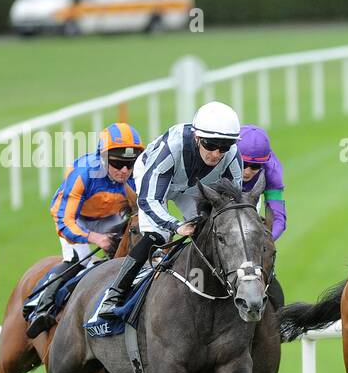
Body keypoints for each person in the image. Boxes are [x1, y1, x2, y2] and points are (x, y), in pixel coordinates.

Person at [88, 101, 243, 329]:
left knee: (210, 231)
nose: (217, 154)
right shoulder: (173, 148)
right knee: (157, 235)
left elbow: (238, 205)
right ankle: (113, 296)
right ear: (198, 138)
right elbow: (148, 199)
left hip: (191, 186)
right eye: (211, 145)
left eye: (225, 146)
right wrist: (175, 226)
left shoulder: (232, 157)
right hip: (157, 178)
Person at [23, 123, 143, 337]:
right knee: (80, 259)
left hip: (110, 218)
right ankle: (40, 305)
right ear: (103, 158)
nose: (125, 170)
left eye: (130, 163)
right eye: (117, 163)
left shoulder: (135, 177)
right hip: (75, 218)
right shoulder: (84, 173)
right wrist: (94, 238)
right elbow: (64, 220)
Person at [237, 125, 286, 241]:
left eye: (255, 166)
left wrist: (266, 240)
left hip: (252, 197)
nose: (247, 172)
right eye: (243, 164)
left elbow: (278, 218)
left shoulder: (271, 172)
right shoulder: (222, 161)